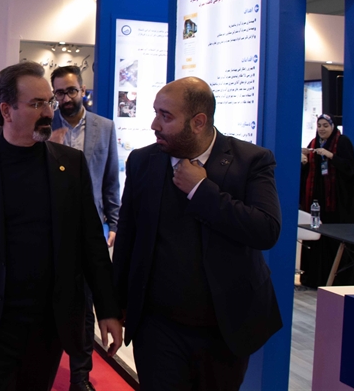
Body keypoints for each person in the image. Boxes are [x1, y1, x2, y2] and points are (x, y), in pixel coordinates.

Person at [0, 62, 122, 391]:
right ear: (6, 110)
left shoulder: (70, 164)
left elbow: (90, 243)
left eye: (49, 102)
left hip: (47, 326)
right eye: (37, 103)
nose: (49, 112)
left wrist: (107, 309)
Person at [113, 77, 282, 391]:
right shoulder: (143, 161)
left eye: (166, 116)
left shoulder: (251, 161)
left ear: (198, 122)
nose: (154, 125)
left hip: (224, 329)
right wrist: (115, 305)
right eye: (155, 113)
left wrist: (201, 190)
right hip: (157, 327)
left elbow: (266, 230)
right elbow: (128, 237)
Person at [48, 65, 119, 391]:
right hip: (52, 226)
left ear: (83, 90)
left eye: (71, 91)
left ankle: (80, 375)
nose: (65, 98)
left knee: (87, 303)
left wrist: (114, 221)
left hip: (91, 228)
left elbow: (110, 179)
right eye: (59, 93)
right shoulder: (45, 125)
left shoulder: (104, 127)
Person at [299, 114, 354, 287]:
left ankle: (337, 281)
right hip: (317, 204)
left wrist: (331, 156)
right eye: (319, 126)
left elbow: (350, 169)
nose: (322, 129)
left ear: (333, 126)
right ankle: (314, 279)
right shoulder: (313, 144)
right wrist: (304, 162)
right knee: (317, 241)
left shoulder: (342, 142)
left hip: (337, 205)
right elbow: (309, 176)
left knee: (334, 241)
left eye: (325, 125)